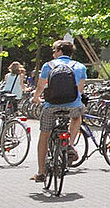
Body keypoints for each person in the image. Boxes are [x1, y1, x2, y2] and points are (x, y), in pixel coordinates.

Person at [32, 40, 88, 182]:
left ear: (60, 51)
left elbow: (40, 86)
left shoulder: (48, 65)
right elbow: (79, 91)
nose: (53, 53)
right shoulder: (80, 67)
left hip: (51, 106)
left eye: (54, 50)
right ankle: (70, 144)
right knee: (77, 117)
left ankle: (41, 172)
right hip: (73, 105)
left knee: (44, 135)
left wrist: (36, 98)